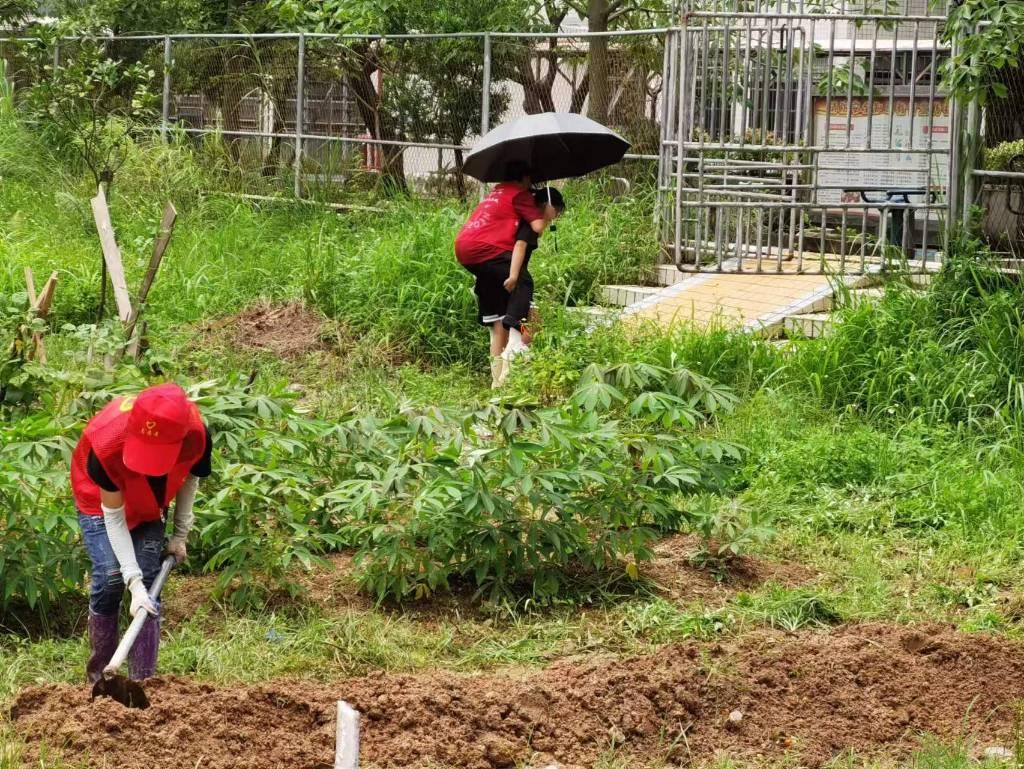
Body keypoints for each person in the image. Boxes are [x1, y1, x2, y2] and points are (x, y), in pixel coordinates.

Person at [70, 382, 212, 683]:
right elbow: (115, 518)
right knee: (110, 578)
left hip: (151, 500)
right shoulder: (105, 445)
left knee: (150, 583)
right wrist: (131, 584)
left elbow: (188, 479)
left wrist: (180, 535)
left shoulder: (196, 435)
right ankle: (100, 679)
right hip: (100, 499)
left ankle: (144, 683)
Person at [454, 162, 563, 387]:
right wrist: (514, 276)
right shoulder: (522, 203)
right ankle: (514, 355)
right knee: (528, 319)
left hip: (477, 260)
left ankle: (496, 382)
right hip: (493, 258)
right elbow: (524, 242)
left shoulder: (498, 193)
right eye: (558, 212)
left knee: (498, 324)